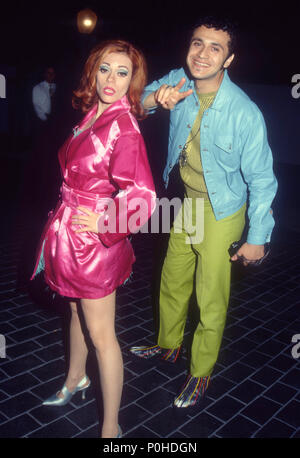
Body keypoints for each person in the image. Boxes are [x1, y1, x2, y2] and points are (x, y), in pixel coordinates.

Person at [130, 16, 278, 408]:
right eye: (198, 43)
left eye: (215, 48)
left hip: (224, 209)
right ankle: (167, 346)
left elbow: (263, 178)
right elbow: (137, 98)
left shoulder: (244, 113)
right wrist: (155, 99)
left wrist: (257, 237)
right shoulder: (179, 80)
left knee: (210, 292)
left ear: (229, 59)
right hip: (189, 202)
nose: (203, 54)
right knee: (172, 277)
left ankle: (200, 372)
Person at [31, 40, 156, 438]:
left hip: (93, 243)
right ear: (93, 70)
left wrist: (103, 223)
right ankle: (75, 379)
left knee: (103, 336)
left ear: (133, 80)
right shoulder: (91, 114)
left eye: (123, 72)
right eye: (105, 68)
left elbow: (143, 197)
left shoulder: (123, 126)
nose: (112, 80)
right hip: (69, 233)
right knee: (73, 313)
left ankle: (111, 428)